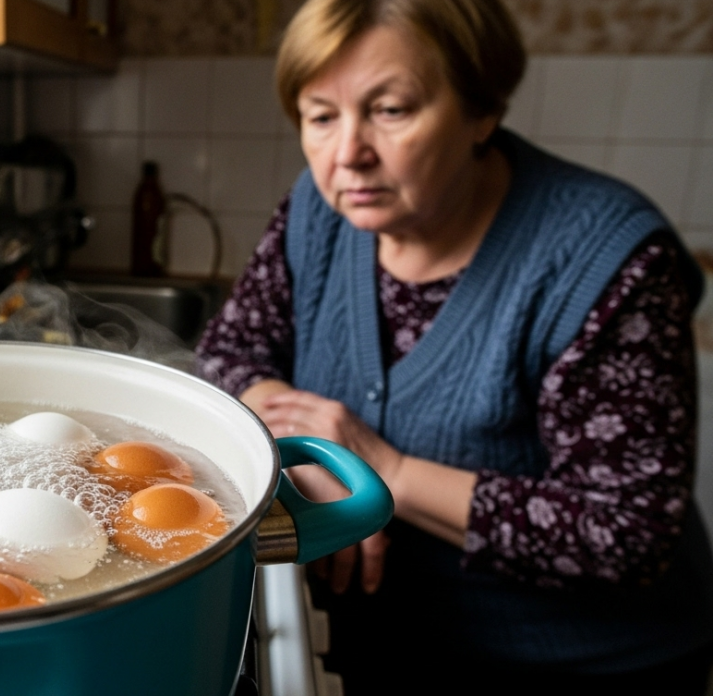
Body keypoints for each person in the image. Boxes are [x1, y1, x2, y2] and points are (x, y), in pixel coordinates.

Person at [194, 0, 713, 693]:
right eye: (321, 117)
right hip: (384, 646)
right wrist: (301, 449)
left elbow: (626, 532)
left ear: (482, 110)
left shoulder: (609, 260)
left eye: (391, 110)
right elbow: (233, 350)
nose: (348, 153)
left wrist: (386, 478)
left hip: (575, 666)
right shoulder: (321, 209)